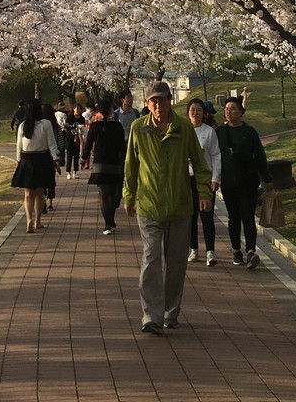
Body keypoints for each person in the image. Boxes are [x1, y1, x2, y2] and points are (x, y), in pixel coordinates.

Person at [123, 79, 213, 335]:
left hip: (179, 205)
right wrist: (128, 195)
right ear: (147, 103)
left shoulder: (183, 128)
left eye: (162, 100)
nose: (158, 105)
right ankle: (151, 315)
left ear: (169, 101)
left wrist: (204, 192)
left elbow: (200, 163)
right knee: (151, 257)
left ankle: (170, 311)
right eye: (153, 101)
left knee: (175, 263)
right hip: (148, 204)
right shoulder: (139, 129)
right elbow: (130, 165)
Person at [216, 95, 274, 269]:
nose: (229, 112)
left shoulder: (250, 132)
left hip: (248, 181)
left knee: (248, 217)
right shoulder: (220, 132)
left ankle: (250, 251)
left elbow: (260, 157)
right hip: (228, 182)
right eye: (226, 109)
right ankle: (236, 251)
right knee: (233, 217)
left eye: (233, 108)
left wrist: (268, 180)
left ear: (241, 112)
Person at [12, 100, 61, 232]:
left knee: (28, 194)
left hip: (26, 159)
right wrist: (56, 159)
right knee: (39, 193)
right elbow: (51, 142)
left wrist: (19, 161)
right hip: (42, 158)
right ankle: (37, 221)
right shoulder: (46, 124)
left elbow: (19, 146)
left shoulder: (23, 125)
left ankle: (29, 220)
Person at [81, 94, 127, 235]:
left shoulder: (95, 126)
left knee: (103, 194)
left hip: (100, 163)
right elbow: (122, 146)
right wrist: (126, 160)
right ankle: (111, 220)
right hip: (115, 163)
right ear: (111, 111)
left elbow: (88, 145)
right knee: (113, 193)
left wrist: (83, 159)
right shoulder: (117, 126)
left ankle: (108, 224)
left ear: (98, 111)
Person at [185, 98, 221, 265]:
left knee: (207, 216)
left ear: (204, 113)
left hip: (204, 179)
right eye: (192, 110)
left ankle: (210, 251)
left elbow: (215, 155)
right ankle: (193, 248)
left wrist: (215, 178)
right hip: (187, 179)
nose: (195, 113)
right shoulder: (184, 131)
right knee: (190, 216)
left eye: (199, 110)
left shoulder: (209, 132)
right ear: (188, 112)